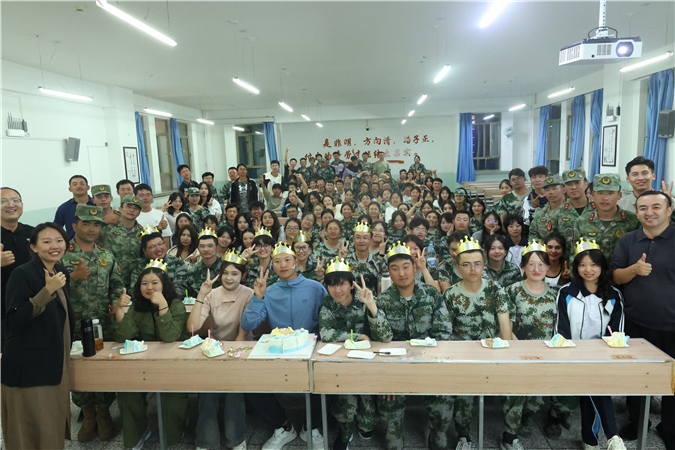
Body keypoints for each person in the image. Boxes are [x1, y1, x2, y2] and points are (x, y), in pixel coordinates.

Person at [241, 242, 329, 450]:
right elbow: (248, 324)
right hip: (279, 350)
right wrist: (258, 297)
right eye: (277, 261)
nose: (283, 265)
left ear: (296, 262)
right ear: (272, 265)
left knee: (330, 378)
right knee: (250, 381)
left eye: (287, 260)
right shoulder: (269, 291)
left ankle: (312, 426)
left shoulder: (315, 288)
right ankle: (283, 426)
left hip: (311, 349)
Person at [370, 241, 452, 450]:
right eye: (394, 268)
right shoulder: (383, 301)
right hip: (395, 365)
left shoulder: (432, 295)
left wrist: (439, 372)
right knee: (388, 404)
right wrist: (388, 375)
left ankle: (437, 436)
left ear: (415, 267)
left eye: (406, 267)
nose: (401, 273)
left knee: (444, 402)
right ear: (389, 272)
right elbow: (382, 341)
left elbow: (443, 334)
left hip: (429, 362)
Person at [1, 223, 74, 450]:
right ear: (33, 247)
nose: (55, 246)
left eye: (59, 240)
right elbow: (14, 320)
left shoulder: (60, 272)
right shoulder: (22, 274)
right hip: (28, 367)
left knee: (51, 429)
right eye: (47, 241)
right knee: (29, 432)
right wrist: (47, 291)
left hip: (53, 361)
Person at [613, 190, 675, 445]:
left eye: (656, 207)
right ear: (636, 212)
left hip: (672, 325)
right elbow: (616, 276)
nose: (649, 212)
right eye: (643, 208)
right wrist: (634, 269)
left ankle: (670, 428)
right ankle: (637, 421)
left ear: (669, 210)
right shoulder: (628, 240)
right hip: (635, 321)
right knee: (637, 376)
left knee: (672, 379)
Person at [61, 205, 124, 441]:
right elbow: (47, 289)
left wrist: (116, 303)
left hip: (102, 325)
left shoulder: (107, 255)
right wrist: (71, 278)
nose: (92, 229)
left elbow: (116, 285)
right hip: (73, 326)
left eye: (97, 224)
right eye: (86, 223)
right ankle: (88, 414)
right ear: (74, 225)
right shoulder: (61, 255)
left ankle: (104, 413)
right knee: (77, 370)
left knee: (103, 368)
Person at [555, 241, 627, 450]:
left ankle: (591, 440)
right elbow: (561, 329)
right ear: (576, 267)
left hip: (602, 357)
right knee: (595, 387)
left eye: (594, 264)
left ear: (602, 266)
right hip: (573, 355)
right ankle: (611, 435)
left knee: (593, 385)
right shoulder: (566, 292)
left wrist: (603, 354)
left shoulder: (614, 295)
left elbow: (617, 332)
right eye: (583, 265)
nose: (588, 269)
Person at [112, 262, 190, 449]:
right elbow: (124, 337)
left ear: (164, 284)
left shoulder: (176, 305)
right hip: (143, 363)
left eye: (155, 283)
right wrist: (119, 309)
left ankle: (176, 429)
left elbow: (169, 337)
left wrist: (163, 306)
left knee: (172, 403)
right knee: (127, 394)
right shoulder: (137, 306)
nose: (149, 288)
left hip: (172, 363)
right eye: (144, 283)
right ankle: (139, 432)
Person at [444, 237, 512, 449]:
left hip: (493, 352)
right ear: (457, 268)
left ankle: (511, 436)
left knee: (516, 389)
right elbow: (446, 333)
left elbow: (505, 327)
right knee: (463, 396)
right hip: (463, 356)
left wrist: (507, 357)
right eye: (466, 264)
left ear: (484, 265)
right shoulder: (450, 294)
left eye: (477, 263)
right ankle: (464, 436)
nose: (473, 269)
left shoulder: (496, 289)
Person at [320, 261, 391, 450]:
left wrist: (372, 305)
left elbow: (386, 336)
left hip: (369, 363)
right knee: (345, 408)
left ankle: (364, 420)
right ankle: (344, 431)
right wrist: (357, 336)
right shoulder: (328, 303)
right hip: (342, 365)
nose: (337, 290)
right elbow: (325, 333)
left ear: (352, 285)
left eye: (342, 284)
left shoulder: (364, 299)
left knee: (367, 424)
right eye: (332, 285)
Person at [188, 251, 252, 450]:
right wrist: (201, 295)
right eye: (225, 273)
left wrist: (230, 361)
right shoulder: (212, 294)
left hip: (241, 350)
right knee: (208, 390)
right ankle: (207, 442)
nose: (229, 278)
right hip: (214, 350)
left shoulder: (248, 294)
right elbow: (192, 328)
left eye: (234, 273)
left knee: (233, 390)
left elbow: (243, 334)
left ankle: (236, 439)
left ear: (243, 275)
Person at [500, 242, 558, 449]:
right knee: (515, 396)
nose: (536, 269)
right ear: (523, 266)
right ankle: (509, 434)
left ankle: (525, 419)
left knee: (536, 399)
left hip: (545, 356)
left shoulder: (556, 294)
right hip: (518, 353)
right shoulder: (511, 291)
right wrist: (518, 349)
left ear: (548, 267)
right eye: (531, 264)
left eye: (541, 264)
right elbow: (505, 325)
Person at [572, 174, 639, 263]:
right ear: (593, 195)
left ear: (619, 195)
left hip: (623, 271)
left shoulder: (633, 221)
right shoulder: (581, 222)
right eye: (600, 193)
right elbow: (575, 254)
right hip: (590, 271)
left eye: (610, 193)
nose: (605, 198)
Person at [1, 187, 34, 349]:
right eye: (3, 201)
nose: (10, 205)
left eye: (15, 200)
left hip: (33, 308)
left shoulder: (33, 233)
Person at [97, 194, 145, 291]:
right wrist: (103, 221)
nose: (132, 210)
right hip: (109, 282)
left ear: (139, 213)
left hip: (133, 284)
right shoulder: (107, 228)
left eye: (136, 208)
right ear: (120, 209)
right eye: (128, 206)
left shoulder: (143, 233)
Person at [129, 229, 189, 295]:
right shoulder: (139, 267)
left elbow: (180, 290)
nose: (158, 249)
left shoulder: (178, 263)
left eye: (160, 244)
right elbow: (134, 291)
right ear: (144, 251)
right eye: (152, 247)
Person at [549, 168, 596, 245]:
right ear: (564, 188)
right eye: (568, 184)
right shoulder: (558, 213)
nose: (573, 187)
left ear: (586, 184)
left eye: (577, 183)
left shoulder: (597, 209)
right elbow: (551, 239)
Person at [337, 220, 385, 294]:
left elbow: (380, 292)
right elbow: (338, 285)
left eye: (365, 238)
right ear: (353, 240)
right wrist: (340, 261)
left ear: (371, 240)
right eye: (358, 237)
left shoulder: (378, 263)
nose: (361, 241)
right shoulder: (346, 261)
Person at [54, 175, 95, 239]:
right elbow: (56, 229)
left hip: (98, 243)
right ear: (70, 189)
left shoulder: (97, 204)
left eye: (82, 184)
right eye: (75, 184)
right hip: (73, 244)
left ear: (88, 187)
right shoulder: (64, 208)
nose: (79, 186)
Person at [186, 229, 223, 297]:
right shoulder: (193, 272)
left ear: (217, 247)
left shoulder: (225, 269)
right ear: (198, 249)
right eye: (202, 246)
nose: (206, 249)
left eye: (210, 246)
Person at [529, 175, 565, 242]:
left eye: (554, 189)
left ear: (563, 190)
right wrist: (543, 244)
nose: (551, 192)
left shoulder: (571, 211)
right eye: (547, 190)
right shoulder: (540, 213)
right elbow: (532, 234)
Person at [134, 183, 171, 248]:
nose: (145, 198)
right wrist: (157, 228)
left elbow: (166, 237)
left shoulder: (160, 214)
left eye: (148, 195)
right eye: (141, 195)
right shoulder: (132, 216)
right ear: (135, 198)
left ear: (152, 196)